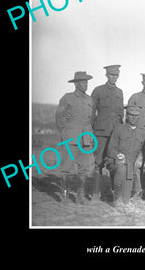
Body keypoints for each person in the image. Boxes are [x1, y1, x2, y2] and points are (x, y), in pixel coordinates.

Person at [55, 71, 95, 204]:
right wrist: (65, 132)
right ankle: (64, 195)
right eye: (83, 82)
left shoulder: (89, 99)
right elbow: (59, 117)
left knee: (84, 167)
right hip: (71, 138)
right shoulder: (67, 98)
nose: (86, 85)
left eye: (87, 82)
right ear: (77, 84)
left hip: (86, 138)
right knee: (66, 167)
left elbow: (91, 118)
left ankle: (80, 196)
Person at [90, 64, 124, 201]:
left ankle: (112, 193)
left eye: (116, 75)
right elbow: (91, 112)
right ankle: (94, 194)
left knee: (113, 161)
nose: (113, 77)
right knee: (98, 162)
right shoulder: (98, 91)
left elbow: (121, 114)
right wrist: (91, 130)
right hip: (100, 132)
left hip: (114, 134)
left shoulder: (119, 92)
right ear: (106, 75)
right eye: (111, 75)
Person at [105, 104, 145, 206]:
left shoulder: (142, 132)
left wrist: (140, 157)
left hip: (131, 165)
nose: (133, 117)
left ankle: (127, 194)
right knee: (122, 169)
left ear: (139, 116)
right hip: (117, 162)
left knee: (126, 200)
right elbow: (110, 149)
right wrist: (118, 156)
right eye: (131, 115)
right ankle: (116, 197)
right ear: (126, 115)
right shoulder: (119, 128)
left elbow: (143, 149)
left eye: (136, 115)